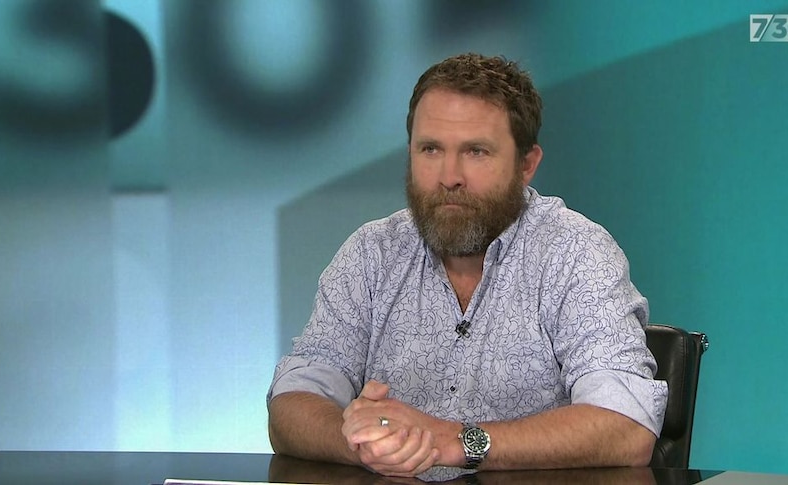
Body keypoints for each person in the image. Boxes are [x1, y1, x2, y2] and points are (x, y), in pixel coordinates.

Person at [266, 52, 668, 479]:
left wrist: (455, 440)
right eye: (430, 149)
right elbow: (294, 400)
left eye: (476, 151)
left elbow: (627, 425)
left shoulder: (575, 254)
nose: (449, 175)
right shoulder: (371, 254)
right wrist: (358, 441)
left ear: (527, 164)